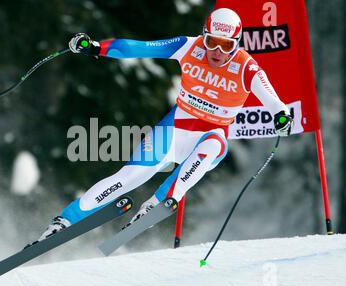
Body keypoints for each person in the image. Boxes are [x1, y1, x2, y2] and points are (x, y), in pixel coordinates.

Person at [35, 8, 293, 242]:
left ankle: (158, 202)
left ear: (237, 44)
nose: (217, 52)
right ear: (203, 36)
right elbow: (138, 48)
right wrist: (95, 48)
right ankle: (64, 221)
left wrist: (282, 116)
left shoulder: (247, 67)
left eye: (226, 46)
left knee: (215, 146)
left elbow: (272, 99)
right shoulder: (188, 47)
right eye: (211, 42)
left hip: (210, 135)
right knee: (128, 177)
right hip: (173, 131)